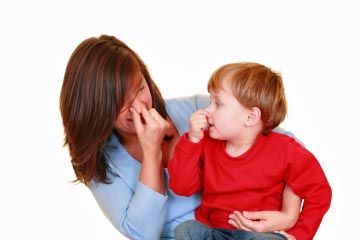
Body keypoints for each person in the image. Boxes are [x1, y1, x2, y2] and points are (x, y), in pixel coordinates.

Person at [60, 35, 302, 240]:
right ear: (96, 108)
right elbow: (143, 234)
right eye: (120, 101)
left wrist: (289, 214)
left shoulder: (198, 110)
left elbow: (291, 148)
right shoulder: (101, 165)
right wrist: (151, 152)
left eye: (140, 88)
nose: (139, 105)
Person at [168, 62, 332, 240]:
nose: (207, 110)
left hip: (259, 235)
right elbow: (181, 187)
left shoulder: (286, 150)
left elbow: (319, 192)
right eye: (210, 101)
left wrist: (299, 235)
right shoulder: (206, 143)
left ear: (251, 117)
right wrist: (191, 140)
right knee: (185, 230)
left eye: (218, 104)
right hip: (217, 233)